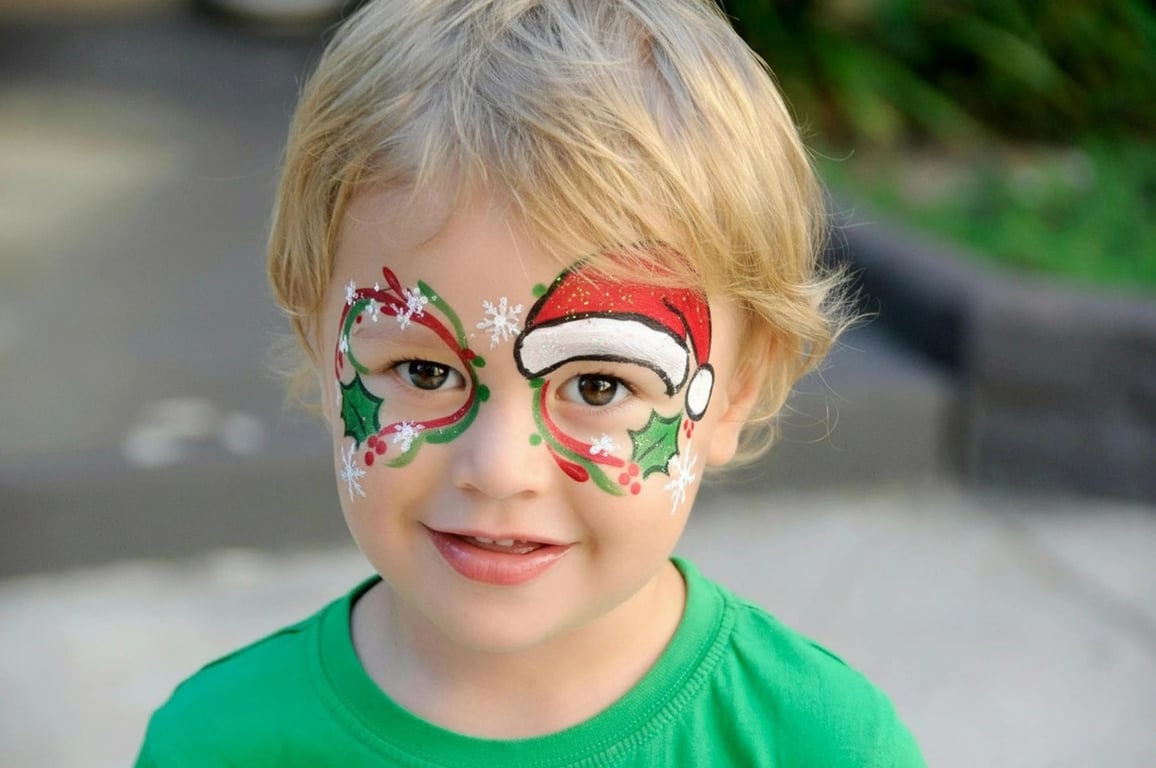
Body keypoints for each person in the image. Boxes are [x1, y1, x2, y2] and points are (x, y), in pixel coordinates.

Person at [136, 0, 925, 764]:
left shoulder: (827, 748)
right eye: (423, 371)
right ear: (320, 346)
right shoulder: (216, 746)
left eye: (599, 387)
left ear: (736, 393)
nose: (499, 469)